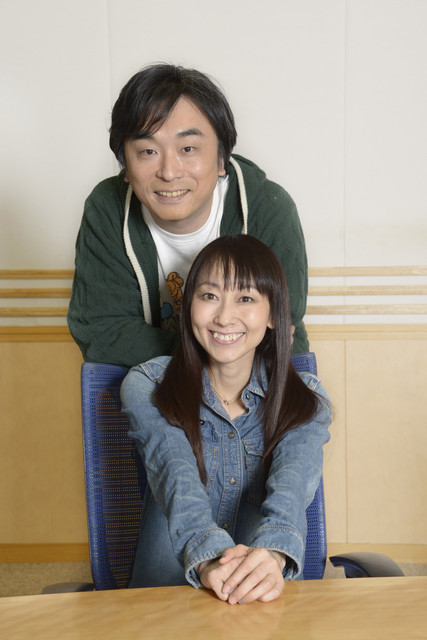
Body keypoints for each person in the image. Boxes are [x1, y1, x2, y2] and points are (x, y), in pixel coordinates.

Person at [121, 235, 331, 604]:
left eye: (246, 298)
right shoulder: (148, 385)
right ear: (189, 307)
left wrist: (272, 556)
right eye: (209, 296)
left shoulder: (305, 400)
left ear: (273, 316)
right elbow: (176, 476)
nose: (223, 317)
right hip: (165, 604)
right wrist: (208, 560)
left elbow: (291, 491)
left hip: (263, 601)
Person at [68, 64, 310, 368]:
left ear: (221, 158)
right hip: (150, 386)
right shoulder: (107, 208)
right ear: (125, 164)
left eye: (188, 148)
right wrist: (216, 348)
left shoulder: (267, 207)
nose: (169, 172)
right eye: (148, 151)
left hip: (265, 382)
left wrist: (208, 349)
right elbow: (101, 332)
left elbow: (280, 324)